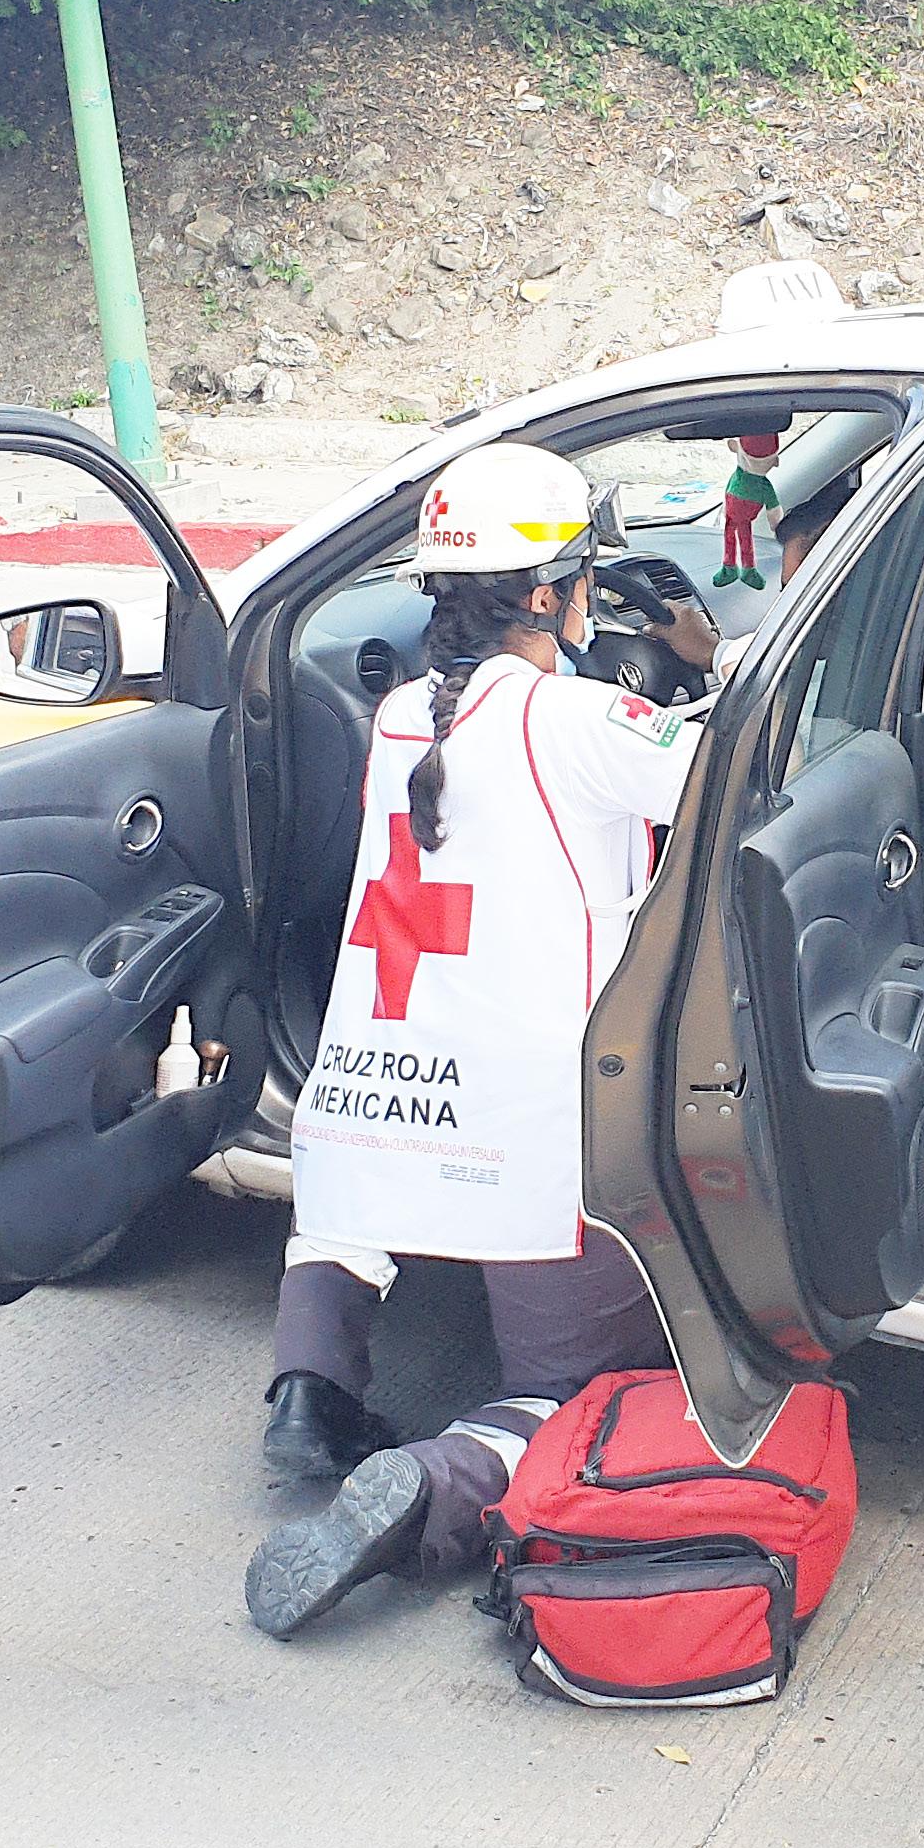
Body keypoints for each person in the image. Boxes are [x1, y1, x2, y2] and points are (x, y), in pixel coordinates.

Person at [247, 440, 709, 1639]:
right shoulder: (588, 720)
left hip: (380, 1098)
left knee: (348, 1212)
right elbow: (744, 782)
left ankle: (312, 1390)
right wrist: (711, 664)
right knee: (575, 1393)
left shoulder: (402, 714)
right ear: (554, 596)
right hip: (533, 1133)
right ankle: (437, 1484)